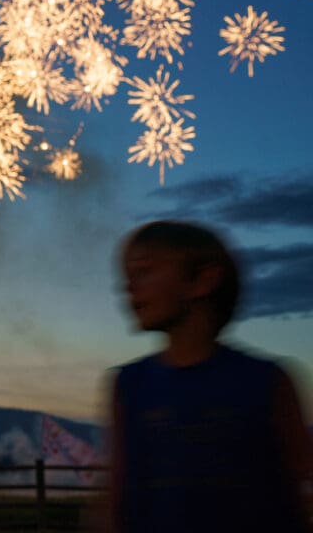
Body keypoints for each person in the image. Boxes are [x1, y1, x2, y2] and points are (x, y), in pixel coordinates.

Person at [109, 220, 312, 532]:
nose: (129, 287)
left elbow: (301, 489)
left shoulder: (267, 383)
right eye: (128, 277)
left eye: (144, 271)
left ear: (204, 279)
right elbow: (116, 500)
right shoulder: (128, 386)